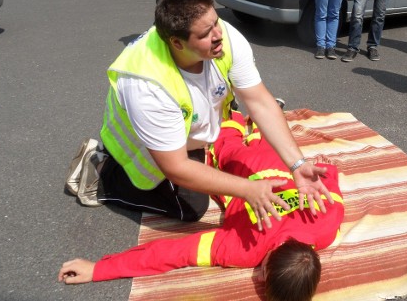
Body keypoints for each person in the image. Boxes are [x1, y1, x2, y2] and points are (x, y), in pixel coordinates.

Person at [69, 0, 332, 224]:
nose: (219, 35)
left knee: (211, 168)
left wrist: (297, 165)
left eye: (216, 23)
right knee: (191, 208)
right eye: (206, 34)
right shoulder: (148, 86)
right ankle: (101, 172)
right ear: (177, 43)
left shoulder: (224, 37)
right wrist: (249, 189)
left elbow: (259, 101)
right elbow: (176, 167)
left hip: (184, 135)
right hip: (143, 148)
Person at [59, 112, 345, 301]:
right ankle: (230, 115)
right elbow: (171, 253)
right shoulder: (244, 248)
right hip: (240, 171)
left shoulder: (327, 225)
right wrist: (98, 269)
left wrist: (326, 170)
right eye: (262, 276)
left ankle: (251, 121)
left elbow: (328, 177)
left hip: (277, 160)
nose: (256, 276)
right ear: (266, 268)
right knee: (223, 143)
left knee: (246, 139)